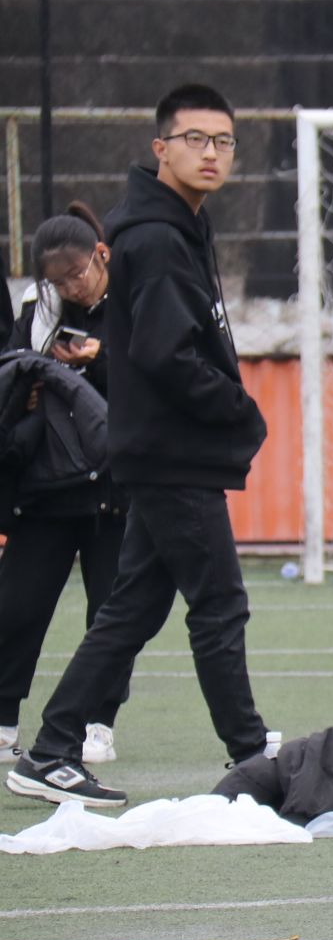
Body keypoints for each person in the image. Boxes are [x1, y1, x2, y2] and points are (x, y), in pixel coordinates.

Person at [6, 83, 273, 809]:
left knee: (133, 609)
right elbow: (164, 353)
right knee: (219, 603)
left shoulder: (178, 223)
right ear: (161, 148)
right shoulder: (155, 236)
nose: (212, 153)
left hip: (161, 451)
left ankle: (52, 748)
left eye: (224, 141)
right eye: (196, 139)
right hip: (170, 454)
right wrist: (239, 410)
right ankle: (252, 753)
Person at [0, 205, 129, 764]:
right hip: (47, 484)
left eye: (77, 274)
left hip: (115, 487)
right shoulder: (38, 310)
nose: (72, 288)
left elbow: (159, 376)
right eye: (58, 280)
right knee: (17, 605)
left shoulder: (135, 299)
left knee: (111, 611)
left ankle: (99, 722)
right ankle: (4, 719)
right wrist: (29, 378)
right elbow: (10, 368)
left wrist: (100, 361)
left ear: (101, 255)